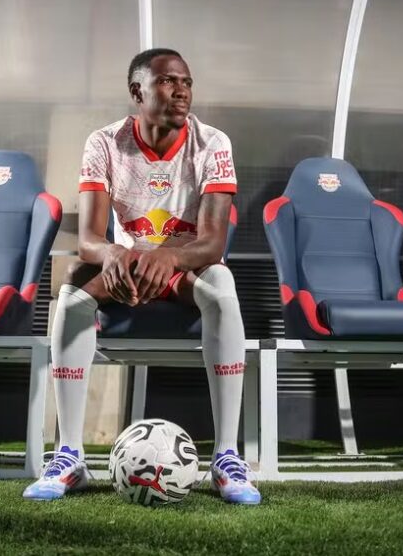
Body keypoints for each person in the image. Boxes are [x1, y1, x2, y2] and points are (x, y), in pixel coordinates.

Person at [23, 48, 260, 505]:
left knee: (224, 288)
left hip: (183, 269)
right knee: (73, 283)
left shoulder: (213, 143)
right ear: (138, 91)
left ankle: (227, 458)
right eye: (168, 82)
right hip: (128, 271)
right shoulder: (104, 142)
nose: (181, 91)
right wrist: (116, 255)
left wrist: (168, 258)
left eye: (186, 82)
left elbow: (211, 244)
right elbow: (89, 238)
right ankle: (69, 455)